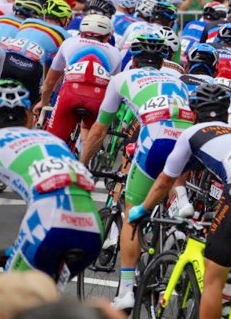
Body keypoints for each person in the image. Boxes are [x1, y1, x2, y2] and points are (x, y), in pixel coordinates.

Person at [128, 83, 231, 319]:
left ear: (194, 113)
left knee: (213, 281)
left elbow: (164, 181)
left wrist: (142, 209)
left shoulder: (192, 133)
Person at [79, 33, 193, 309]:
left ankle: (127, 291)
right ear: (161, 62)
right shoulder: (178, 80)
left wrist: (81, 163)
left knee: (132, 216)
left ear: (134, 60)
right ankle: (179, 201)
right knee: (172, 170)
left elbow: (99, 130)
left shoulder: (121, 80)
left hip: (154, 141)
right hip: (186, 141)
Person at [0, 80, 102, 277]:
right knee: (45, 294)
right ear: (28, 118)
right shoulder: (54, 141)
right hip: (93, 228)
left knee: (12, 296)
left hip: (49, 225)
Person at [34, 14, 122, 144]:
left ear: (81, 32)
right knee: (91, 135)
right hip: (98, 98)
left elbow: (50, 81)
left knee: (54, 143)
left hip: (69, 94)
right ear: (107, 36)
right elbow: (113, 89)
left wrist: (43, 102)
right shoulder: (116, 52)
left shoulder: (69, 43)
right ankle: (85, 157)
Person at [0, 0, 72, 104]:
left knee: (0, 98)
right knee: (32, 107)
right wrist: (48, 96)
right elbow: (57, 69)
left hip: (8, 60)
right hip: (31, 68)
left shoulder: (28, 21)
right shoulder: (66, 36)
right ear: (63, 19)